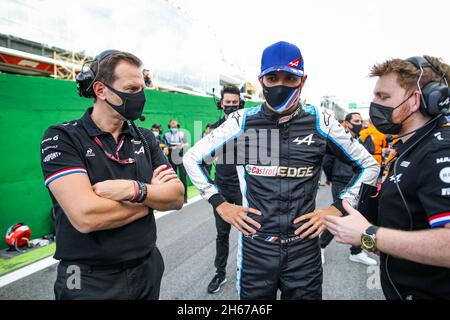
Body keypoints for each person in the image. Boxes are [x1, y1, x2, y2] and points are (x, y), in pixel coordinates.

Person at [183, 41, 379, 299]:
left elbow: (370, 166)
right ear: (261, 79)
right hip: (255, 250)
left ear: (303, 79)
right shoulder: (241, 121)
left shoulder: (322, 122)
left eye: (290, 78)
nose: (280, 85)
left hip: (304, 251)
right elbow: (191, 158)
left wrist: (337, 208)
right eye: (272, 77)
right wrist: (221, 204)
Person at [40, 50, 184, 300]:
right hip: (86, 277)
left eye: (142, 88)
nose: (140, 96)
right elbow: (86, 216)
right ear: (100, 90)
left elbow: (176, 197)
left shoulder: (145, 137)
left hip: (147, 267)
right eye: (131, 88)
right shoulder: (62, 137)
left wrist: (133, 190)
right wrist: (150, 201)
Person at [325, 55, 450, 300]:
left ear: (416, 100)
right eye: (375, 95)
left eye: (383, 97)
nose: (374, 103)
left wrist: (368, 234)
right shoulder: (411, 147)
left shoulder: (439, 151)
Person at [320, 112, 377, 266]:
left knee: (361, 216)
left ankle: (356, 251)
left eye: (361, 120)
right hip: (342, 180)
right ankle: (321, 246)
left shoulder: (365, 137)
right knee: (340, 214)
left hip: (362, 181)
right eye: (356, 121)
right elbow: (327, 162)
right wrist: (331, 178)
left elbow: (368, 157)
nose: (360, 123)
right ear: (347, 123)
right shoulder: (336, 138)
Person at [206, 85, 244, 294]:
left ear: (240, 104)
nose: (230, 106)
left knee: (249, 231)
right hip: (222, 188)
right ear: (221, 104)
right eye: (227, 103)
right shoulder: (213, 129)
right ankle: (220, 273)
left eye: (234, 103)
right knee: (222, 234)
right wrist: (210, 186)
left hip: (245, 189)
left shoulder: (249, 126)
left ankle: (246, 268)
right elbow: (203, 159)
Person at [164, 119, 189, 203]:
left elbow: (186, 143)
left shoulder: (182, 134)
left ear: (178, 125)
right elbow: (165, 145)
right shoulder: (166, 135)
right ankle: (173, 197)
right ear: (169, 126)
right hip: (171, 156)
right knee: (172, 178)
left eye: (175, 125)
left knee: (183, 177)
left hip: (180, 156)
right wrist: (171, 148)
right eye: (172, 125)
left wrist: (181, 146)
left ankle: (185, 197)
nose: (173, 126)